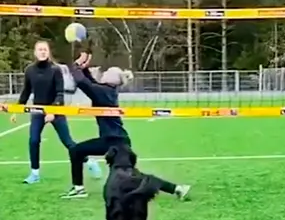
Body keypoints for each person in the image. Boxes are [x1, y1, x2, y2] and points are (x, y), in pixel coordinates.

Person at [60, 51, 190, 200]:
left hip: (115, 143)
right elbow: (91, 84)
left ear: (111, 79)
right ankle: (178, 189)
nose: (104, 72)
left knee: (135, 178)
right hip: (114, 141)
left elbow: (84, 84)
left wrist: (76, 65)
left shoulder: (103, 92)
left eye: (107, 72)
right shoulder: (106, 90)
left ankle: (178, 188)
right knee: (78, 151)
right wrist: (84, 68)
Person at [11, 39, 99, 184]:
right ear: (35, 52)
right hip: (38, 111)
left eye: (45, 49)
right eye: (40, 49)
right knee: (33, 140)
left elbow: (60, 93)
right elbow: (26, 92)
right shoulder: (30, 70)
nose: (42, 52)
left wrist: (52, 111)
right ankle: (35, 173)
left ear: (48, 52)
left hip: (56, 110)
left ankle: (89, 162)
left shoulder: (55, 70)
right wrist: (16, 110)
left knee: (68, 142)